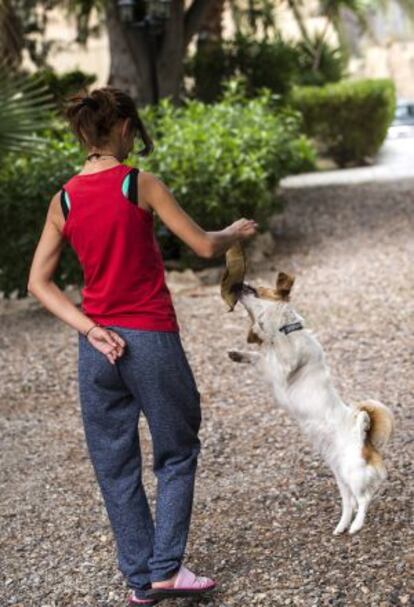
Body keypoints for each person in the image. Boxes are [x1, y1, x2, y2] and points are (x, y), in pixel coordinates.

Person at [27, 86, 258, 606]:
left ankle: (140, 579)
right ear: (126, 128)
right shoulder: (139, 183)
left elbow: (37, 284)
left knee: (115, 465)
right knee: (177, 451)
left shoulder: (62, 198)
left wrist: (88, 327)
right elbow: (201, 245)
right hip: (149, 338)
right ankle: (166, 570)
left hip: (98, 349)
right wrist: (234, 232)